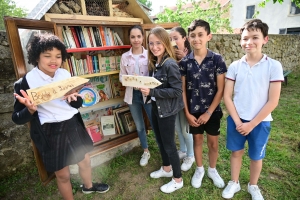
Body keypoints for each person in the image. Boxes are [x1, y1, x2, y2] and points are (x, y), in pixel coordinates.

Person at [12, 33, 109, 199]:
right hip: (50, 131)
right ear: (36, 56)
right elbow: (16, 118)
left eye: (58, 56)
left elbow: (77, 105)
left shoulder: (64, 75)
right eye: (47, 56)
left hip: (72, 124)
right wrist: (29, 110)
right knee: (62, 174)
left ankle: (88, 186)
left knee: (85, 160)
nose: (53, 61)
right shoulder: (25, 83)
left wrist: (74, 99)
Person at [222, 19, 284, 200]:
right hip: (237, 120)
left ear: (265, 39)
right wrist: (238, 121)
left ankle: (253, 185)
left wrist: (251, 124)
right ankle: (234, 182)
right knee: (236, 152)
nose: (249, 42)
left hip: (260, 122)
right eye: (245, 38)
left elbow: (273, 101)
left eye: (255, 37)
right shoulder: (235, 66)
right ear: (240, 41)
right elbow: (227, 96)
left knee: (256, 156)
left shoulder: (274, 66)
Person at [179, 19, 227, 189]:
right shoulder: (185, 62)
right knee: (197, 141)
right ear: (188, 38)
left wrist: (208, 113)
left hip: (212, 112)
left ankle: (212, 170)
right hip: (193, 112)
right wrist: (187, 113)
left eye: (200, 35)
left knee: (213, 143)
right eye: (192, 35)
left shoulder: (217, 60)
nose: (196, 39)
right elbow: (183, 89)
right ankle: (199, 169)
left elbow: (221, 89)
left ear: (209, 36)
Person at [140, 26, 184, 194]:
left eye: (158, 43)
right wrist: (144, 86)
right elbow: (154, 84)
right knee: (160, 141)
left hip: (166, 110)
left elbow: (177, 91)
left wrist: (152, 92)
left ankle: (177, 179)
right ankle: (167, 169)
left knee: (169, 145)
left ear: (166, 43)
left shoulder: (169, 64)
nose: (154, 46)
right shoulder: (154, 62)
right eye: (151, 43)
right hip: (155, 107)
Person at [119, 25, 153, 167]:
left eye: (139, 36)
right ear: (129, 38)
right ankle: (146, 151)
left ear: (143, 37)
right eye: (133, 37)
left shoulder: (150, 54)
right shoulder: (125, 57)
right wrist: (130, 79)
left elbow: (154, 75)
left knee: (154, 122)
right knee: (139, 126)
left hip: (148, 94)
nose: (136, 39)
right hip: (133, 95)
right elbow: (121, 77)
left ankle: (164, 147)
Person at [169, 26, 195, 171]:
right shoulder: (170, 56)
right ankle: (183, 150)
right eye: (171, 39)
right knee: (177, 127)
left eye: (176, 38)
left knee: (185, 129)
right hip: (175, 97)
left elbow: (194, 76)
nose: (173, 41)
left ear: (184, 39)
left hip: (187, 98)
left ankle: (191, 155)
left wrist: (184, 60)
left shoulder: (191, 56)